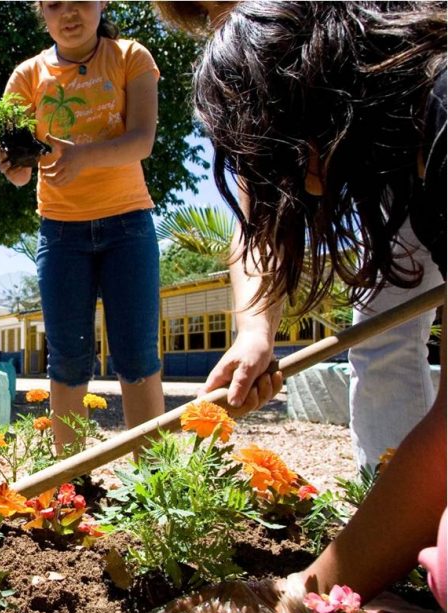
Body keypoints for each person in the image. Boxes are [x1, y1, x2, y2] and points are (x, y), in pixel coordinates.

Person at [141, 0, 446, 613]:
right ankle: (396, 541)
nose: (302, 192)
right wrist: (255, 331)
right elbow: (258, 218)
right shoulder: (379, 97)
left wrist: (308, 594)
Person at [155, 0, 442, 472]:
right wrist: (254, 332)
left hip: (412, 122)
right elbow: (258, 218)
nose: (229, 25)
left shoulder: (422, 83)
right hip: (386, 151)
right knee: (382, 336)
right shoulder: (257, 75)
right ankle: (387, 495)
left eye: (234, 5)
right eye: (211, 18)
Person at [0, 0, 165, 453]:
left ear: (102, 3)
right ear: (42, 13)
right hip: (60, 233)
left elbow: (142, 140)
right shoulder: (26, 77)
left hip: (128, 225)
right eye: (54, 5)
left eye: (80, 2)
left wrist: (82, 156)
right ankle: (69, 481)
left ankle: (154, 480)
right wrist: (14, 170)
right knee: (67, 360)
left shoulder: (131, 57)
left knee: (137, 356)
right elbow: (20, 165)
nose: (68, 14)